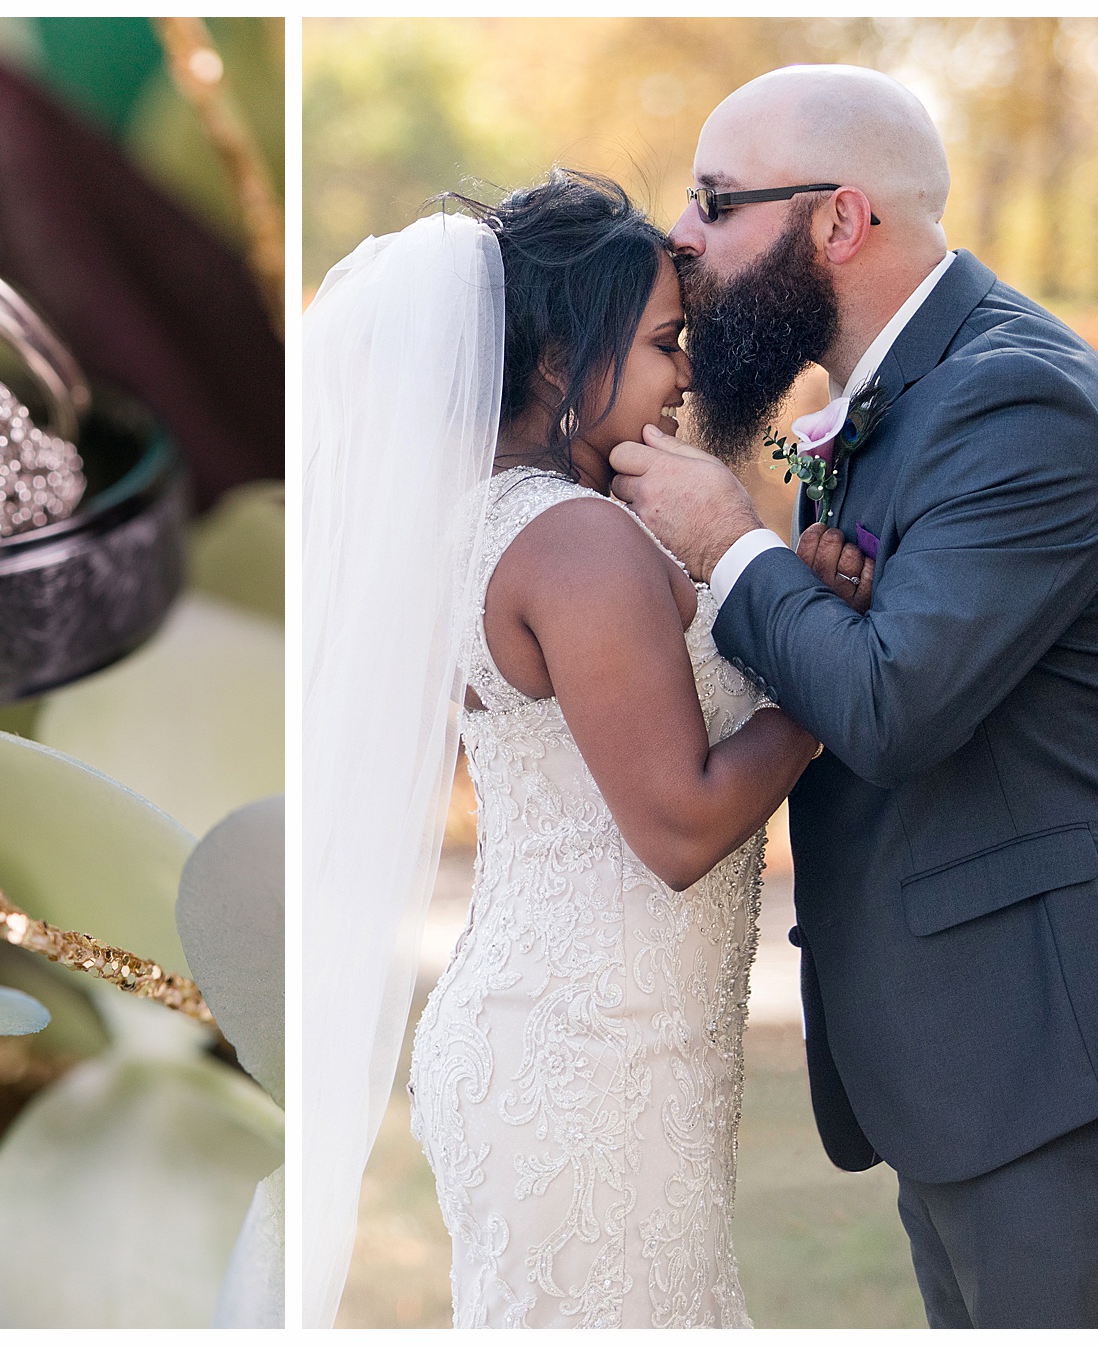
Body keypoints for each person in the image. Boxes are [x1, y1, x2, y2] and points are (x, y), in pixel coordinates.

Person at [609, 65, 1098, 1328]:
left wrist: (733, 544)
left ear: (841, 222)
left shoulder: (1019, 402)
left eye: (714, 200)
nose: (683, 236)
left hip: (1062, 1071)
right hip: (969, 1068)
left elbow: (891, 704)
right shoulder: (898, 398)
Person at [304, 171, 853, 1329]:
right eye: (664, 342)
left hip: (582, 1033)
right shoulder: (574, 543)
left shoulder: (495, 517)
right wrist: (822, 670)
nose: (687, 372)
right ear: (559, 361)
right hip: (592, 1056)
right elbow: (679, 823)